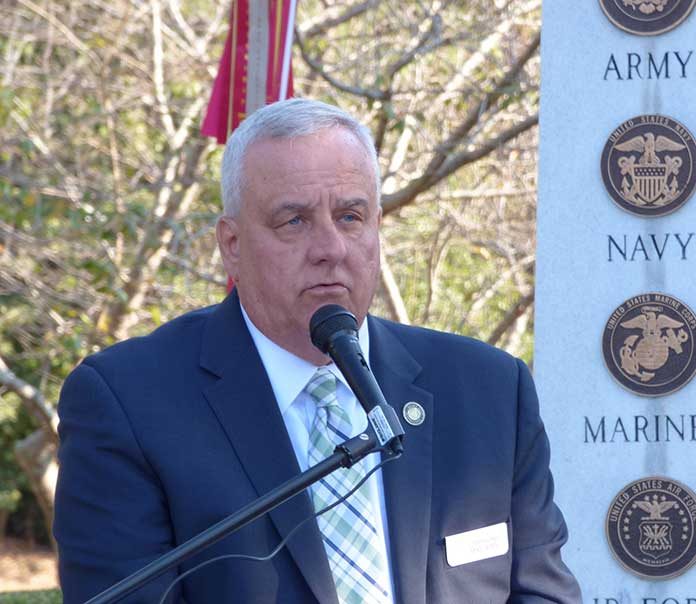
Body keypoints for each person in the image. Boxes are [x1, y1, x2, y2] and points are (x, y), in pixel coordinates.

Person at [54, 98, 582, 604]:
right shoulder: (127, 404)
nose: (330, 248)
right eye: (295, 221)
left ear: (378, 228)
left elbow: (543, 594)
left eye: (351, 216)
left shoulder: (489, 390)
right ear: (232, 245)